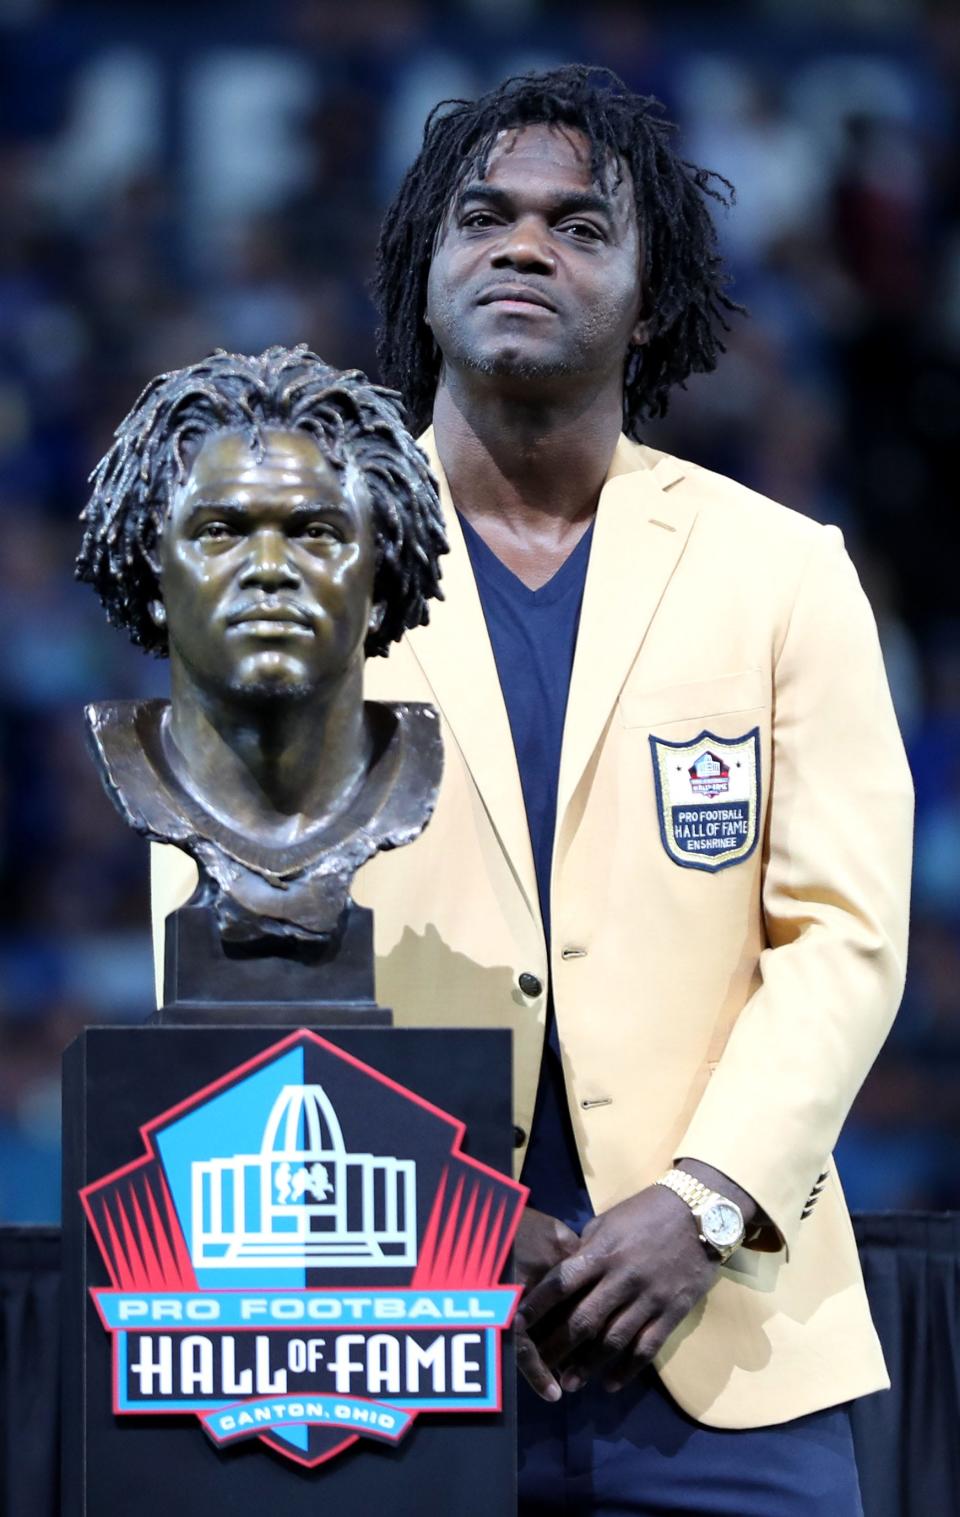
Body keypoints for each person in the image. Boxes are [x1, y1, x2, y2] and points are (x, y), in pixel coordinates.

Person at [153, 67, 913, 1515]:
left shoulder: (782, 571)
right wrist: (429, 1221)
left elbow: (848, 940)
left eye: (579, 226)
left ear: (651, 292)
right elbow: (220, 947)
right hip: (368, 1324)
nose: (522, 246)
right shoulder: (280, 557)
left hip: (724, 1342)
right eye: (484, 215)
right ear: (423, 270)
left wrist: (700, 1200)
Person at [78, 346, 446, 944]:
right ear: (154, 575)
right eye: (220, 531)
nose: (269, 569)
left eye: (315, 533)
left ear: (381, 578)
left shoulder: (416, 769)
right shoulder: (131, 767)